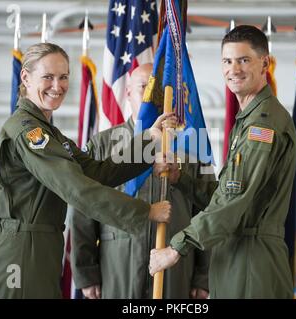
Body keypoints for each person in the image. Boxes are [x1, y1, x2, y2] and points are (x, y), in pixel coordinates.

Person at [0, 43, 174, 299]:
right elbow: (76, 188)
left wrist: (148, 139)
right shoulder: (28, 131)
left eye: (63, 77)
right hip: (22, 252)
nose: (57, 86)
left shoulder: (50, 133)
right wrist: (145, 211)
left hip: (41, 247)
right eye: (47, 77)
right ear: (25, 77)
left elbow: (96, 171)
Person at [149, 25, 296, 298]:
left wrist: (177, 246)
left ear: (265, 62)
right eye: (227, 61)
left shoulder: (263, 125)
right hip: (234, 255)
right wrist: (180, 178)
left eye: (244, 60)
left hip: (253, 259)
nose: (234, 69)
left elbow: (234, 201)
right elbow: (227, 193)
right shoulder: (248, 120)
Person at [71, 63, 213, 299]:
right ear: (127, 92)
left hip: (177, 271)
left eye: (157, 90)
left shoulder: (193, 147)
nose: (151, 96)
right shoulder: (103, 145)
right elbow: (82, 209)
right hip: (117, 269)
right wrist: (86, 273)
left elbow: (209, 210)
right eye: (143, 87)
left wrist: (203, 276)